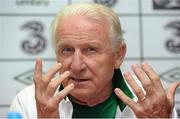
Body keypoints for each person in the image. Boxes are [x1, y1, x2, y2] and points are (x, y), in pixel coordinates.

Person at [10, 3, 180, 118]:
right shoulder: (28, 101)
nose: (76, 66)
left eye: (91, 50)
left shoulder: (153, 104)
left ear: (118, 55)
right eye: (67, 50)